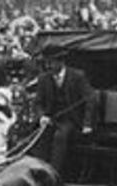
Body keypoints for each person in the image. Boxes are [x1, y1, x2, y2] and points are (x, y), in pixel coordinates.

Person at [34, 46, 95, 174]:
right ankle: (38, 169)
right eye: (46, 63)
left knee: (60, 136)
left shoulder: (78, 76)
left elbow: (90, 99)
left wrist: (87, 124)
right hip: (50, 119)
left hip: (71, 120)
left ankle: (53, 173)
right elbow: (38, 102)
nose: (48, 66)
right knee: (39, 135)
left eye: (51, 62)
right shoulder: (43, 79)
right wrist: (42, 117)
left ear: (61, 62)